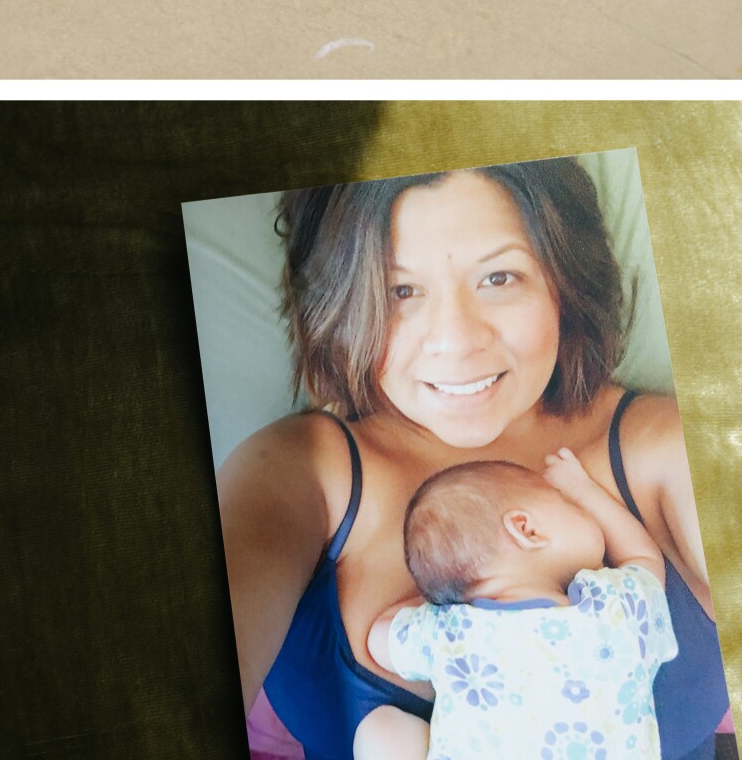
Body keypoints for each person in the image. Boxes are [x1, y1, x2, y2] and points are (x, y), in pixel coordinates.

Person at [215, 159, 727, 760]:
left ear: (564, 281)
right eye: (399, 290)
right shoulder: (298, 471)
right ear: (345, 304)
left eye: (499, 278)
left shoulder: (667, 443)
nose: (456, 341)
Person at [351, 448, 677, 760]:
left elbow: (378, 640)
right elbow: (642, 558)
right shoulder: (614, 609)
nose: (580, 509)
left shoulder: (449, 630)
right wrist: (584, 490)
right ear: (527, 529)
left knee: (380, 730)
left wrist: (444, 595)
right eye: (568, 504)